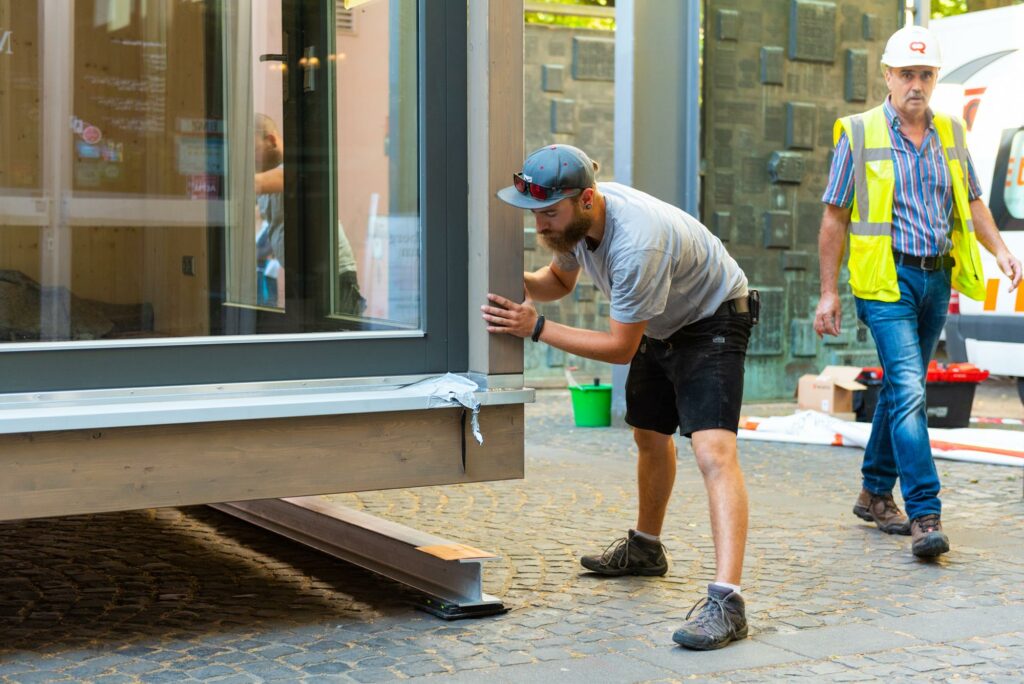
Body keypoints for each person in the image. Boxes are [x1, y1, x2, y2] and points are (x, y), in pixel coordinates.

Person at [482, 144, 756, 650]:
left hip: (715, 319)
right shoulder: (573, 223)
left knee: (713, 452)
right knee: (649, 434)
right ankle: (646, 550)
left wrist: (535, 328)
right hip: (665, 319)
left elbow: (619, 346)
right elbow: (558, 282)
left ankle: (728, 601)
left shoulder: (637, 246)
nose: (540, 226)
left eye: (549, 213)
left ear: (586, 198)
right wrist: (505, 280)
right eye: (536, 214)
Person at [814, 25, 1021, 558]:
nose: (916, 84)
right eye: (906, 73)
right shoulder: (858, 134)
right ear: (888, 76)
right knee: (909, 389)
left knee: (904, 387)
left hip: (936, 278)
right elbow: (834, 217)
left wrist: (999, 249)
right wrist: (828, 292)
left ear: (934, 79)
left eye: (925, 75)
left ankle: (874, 491)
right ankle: (925, 514)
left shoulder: (950, 132)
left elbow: (973, 201)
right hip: (886, 282)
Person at [253, 114, 365, 315]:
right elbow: (277, 227)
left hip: (333, 274)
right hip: (300, 274)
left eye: (253, 150)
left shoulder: (294, 166)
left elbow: (258, 182)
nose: (250, 158)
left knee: (337, 340)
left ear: (271, 141)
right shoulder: (264, 176)